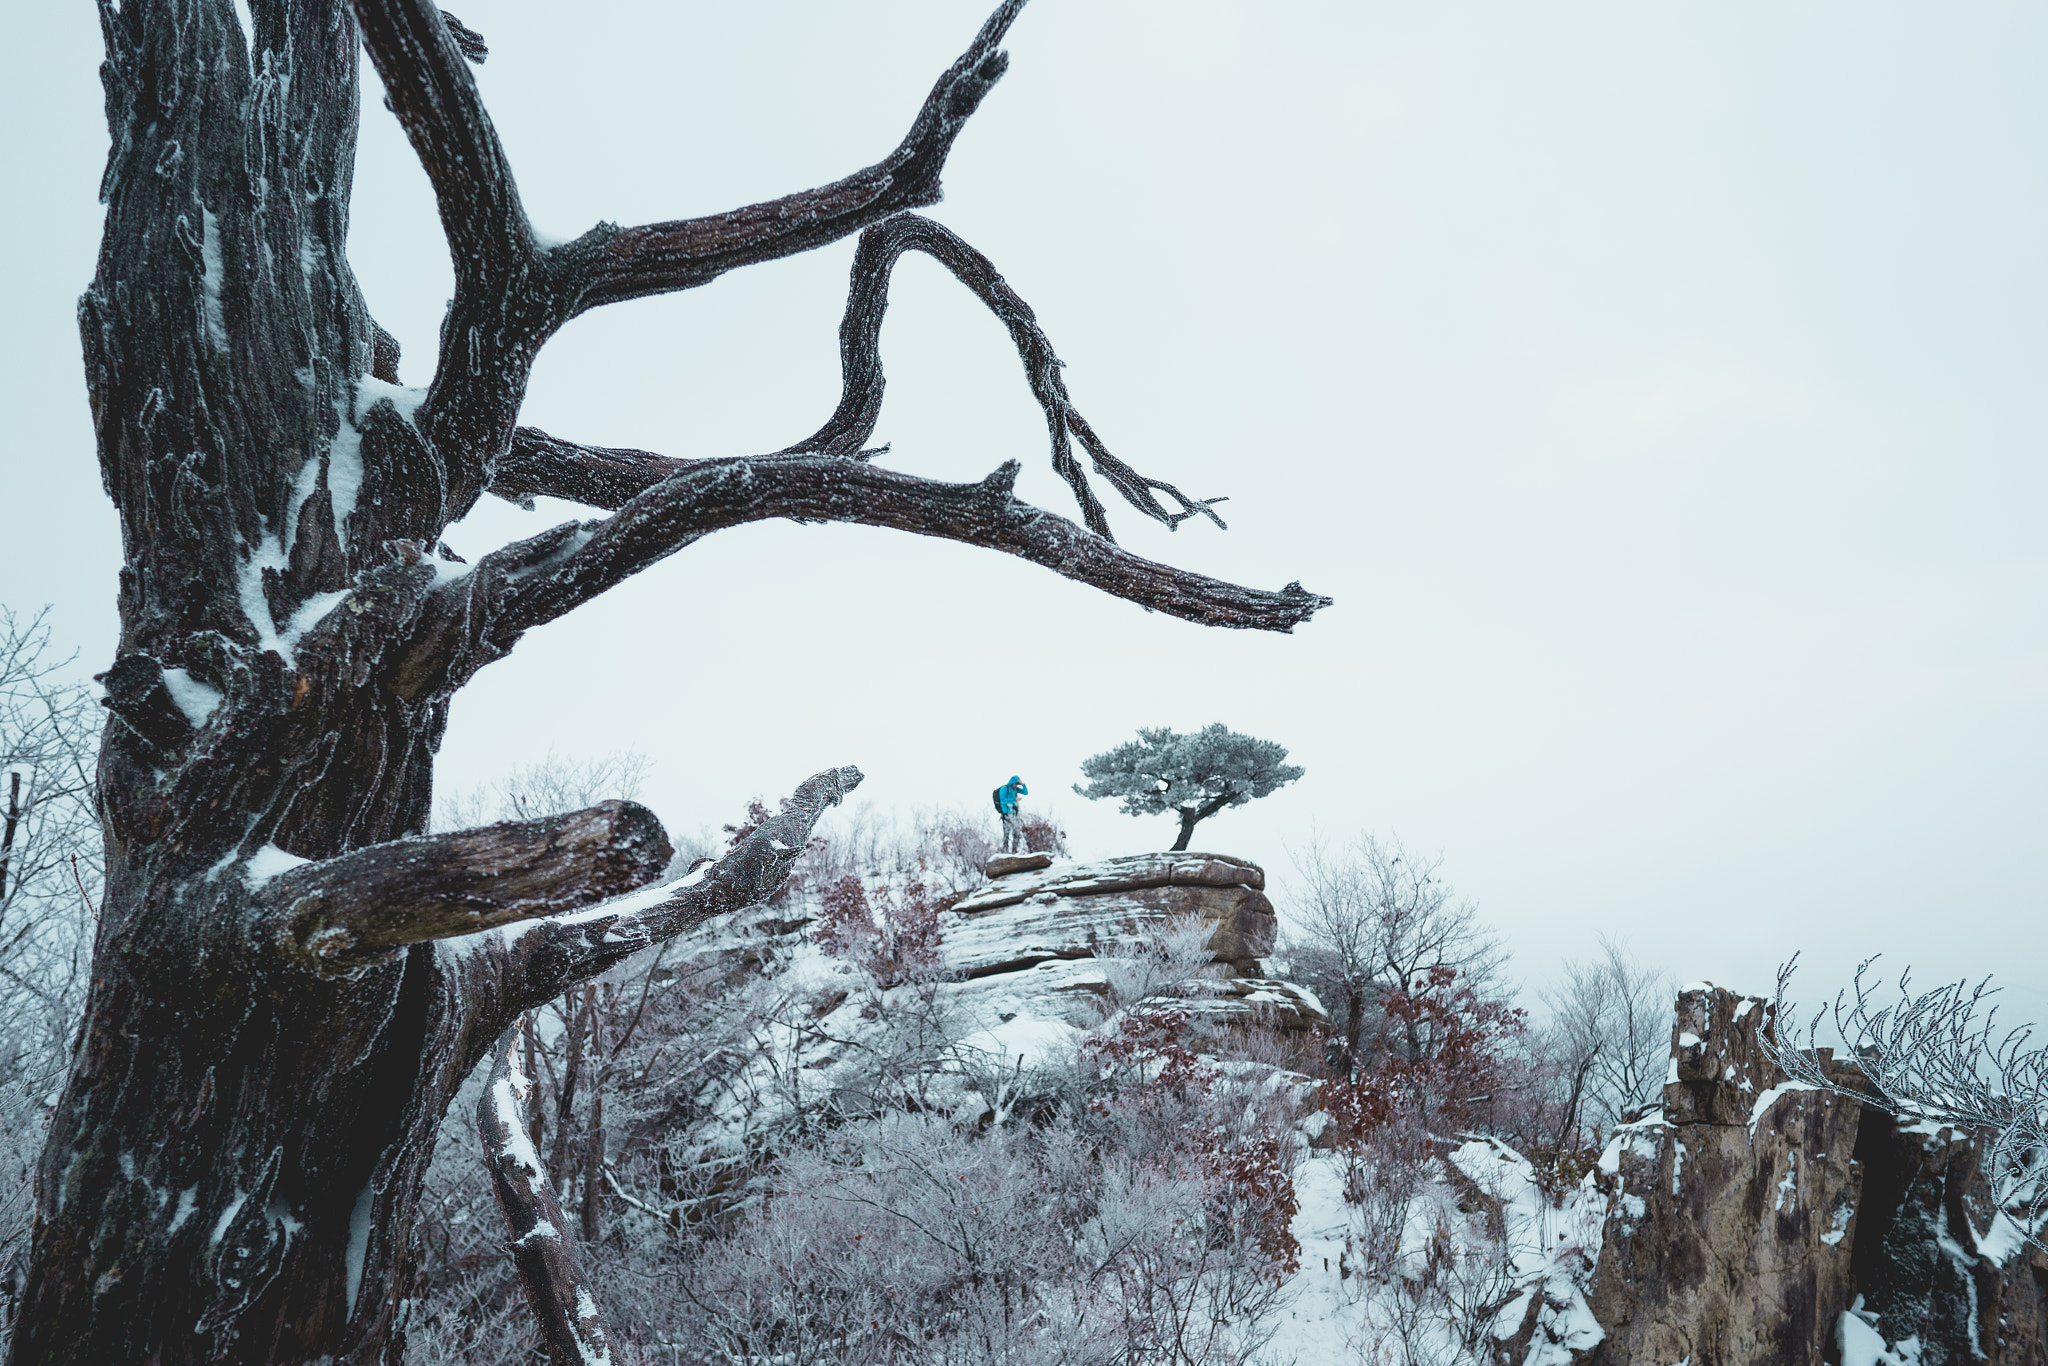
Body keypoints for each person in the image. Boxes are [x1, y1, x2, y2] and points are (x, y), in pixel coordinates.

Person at [992, 775, 1029, 853]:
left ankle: (1014, 851)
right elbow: (1003, 801)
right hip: (1006, 814)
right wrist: (1014, 799)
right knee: (1006, 833)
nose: (1016, 785)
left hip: (1014, 814)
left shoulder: (1015, 789)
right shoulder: (1004, 789)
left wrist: (1022, 784)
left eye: (1017, 784)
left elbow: (1025, 792)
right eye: (1015, 783)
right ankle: (1005, 850)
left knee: (1016, 833)